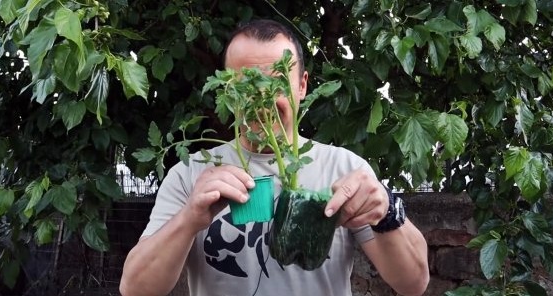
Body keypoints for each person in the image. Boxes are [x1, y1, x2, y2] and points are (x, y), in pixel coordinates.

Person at [120, 19, 429, 296]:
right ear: (227, 91)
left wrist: (387, 212)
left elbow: (413, 284)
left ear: (302, 85)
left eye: (276, 83)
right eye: (245, 85)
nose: (261, 99)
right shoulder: (192, 174)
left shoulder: (344, 169)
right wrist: (189, 219)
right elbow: (135, 289)